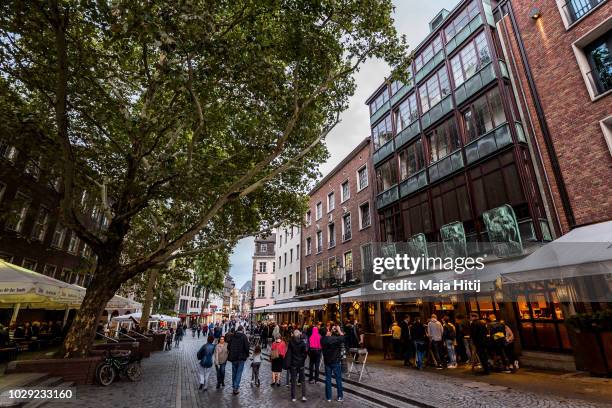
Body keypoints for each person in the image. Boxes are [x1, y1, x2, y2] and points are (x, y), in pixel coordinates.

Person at [321, 325, 344, 402]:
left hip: (327, 362)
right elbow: (342, 338)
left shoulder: (322, 339)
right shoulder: (333, 339)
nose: (329, 331)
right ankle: (340, 396)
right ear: (326, 332)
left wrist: (331, 331)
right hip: (335, 361)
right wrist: (339, 330)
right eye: (328, 330)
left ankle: (329, 397)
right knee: (338, 379)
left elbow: (328, 337)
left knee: (328, 379)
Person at [227, 325, 249, 395]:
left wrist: (232, 352)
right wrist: (247, 355)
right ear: (242, 330)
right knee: (239, 373)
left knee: (234, 372)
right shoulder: (244, 336)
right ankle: (235, 387)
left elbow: (228, 346)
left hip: (233, 357)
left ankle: (234, 386)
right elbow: (247, 347)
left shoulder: (233, 336)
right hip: (241, 358)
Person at [287, 330, 307, 402]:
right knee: (303, 380)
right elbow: (305, 353)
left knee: (293, 380)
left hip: (293, 363)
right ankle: (303, 396)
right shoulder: (303, 343)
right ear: (299, 335)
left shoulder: (291, 343)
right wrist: (302, 360)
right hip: (301, 363)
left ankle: (293, 397)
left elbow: (289, 353)